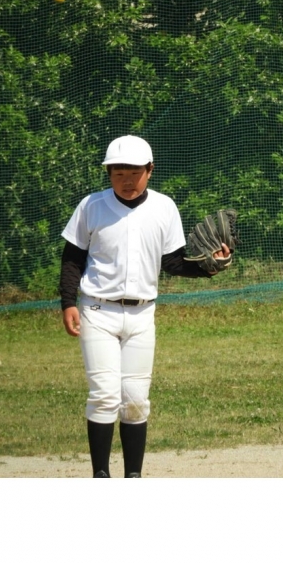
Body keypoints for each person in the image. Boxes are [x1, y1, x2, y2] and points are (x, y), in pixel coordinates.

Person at [59, 135, 230, 478]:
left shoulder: (164, 207)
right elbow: (72, 258)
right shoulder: (91, 206)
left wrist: (208, 266)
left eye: (134, 173)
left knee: (136, 399)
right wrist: (68, 302)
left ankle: (133, 477)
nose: (127, 180)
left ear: (150, 170)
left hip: (142, 315)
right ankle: (101, 476)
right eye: (118, 173)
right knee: (104, 396)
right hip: (98, 311)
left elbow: (173, 263)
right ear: (108, 173)